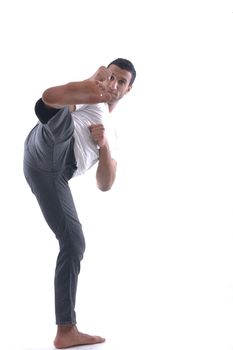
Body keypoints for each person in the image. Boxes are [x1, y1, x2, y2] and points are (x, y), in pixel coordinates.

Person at [23, 58, 136, 349]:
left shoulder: (116, 135)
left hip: (56, 174)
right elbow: (70, 105)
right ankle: (53, 103)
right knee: (59, 121)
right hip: (49, 144)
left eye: (120, 82)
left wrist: (104, 145)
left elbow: (105, 184)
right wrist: (90, 88)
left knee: (74, 243)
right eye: (110, 77)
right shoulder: (95, 102)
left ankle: (66, 331)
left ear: (129, 89)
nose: (114, 84)